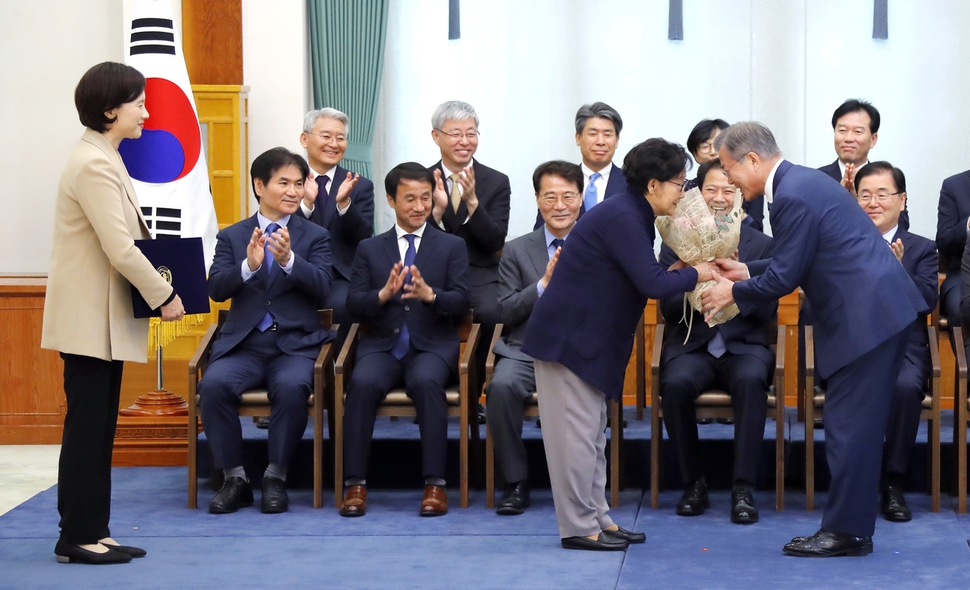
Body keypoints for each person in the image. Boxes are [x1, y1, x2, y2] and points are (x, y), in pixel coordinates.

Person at [701, 122, 927, 557]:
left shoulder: (790, 195)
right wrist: (747, 271)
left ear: (752, 160)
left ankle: (846, 533)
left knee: (850, 431)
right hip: (872, 316)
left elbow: (787, 275)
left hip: (868, 320)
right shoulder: (800, 182)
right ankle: (850, 528)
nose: (729, 180)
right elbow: (798, 260)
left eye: (729, 169)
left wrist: (732, 290)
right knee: (849, 428)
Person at [521, 139, 716, 552]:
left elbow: (639, 274)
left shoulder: (631, 212)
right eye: (679, 183)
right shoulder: (624, 216)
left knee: (591, 438)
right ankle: (578, 527)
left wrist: (682, 269)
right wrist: (699, 272)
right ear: (652, 185)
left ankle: (598, 519)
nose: (683, 192)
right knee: (574, 440)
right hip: (568, 341)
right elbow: (651, 283)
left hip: (588, 341)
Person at [42, 62, 185, 565]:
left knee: (100, 428)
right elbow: (121, 249)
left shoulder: (105, 156)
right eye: (139, 103)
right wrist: (165, 296)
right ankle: (75, 536)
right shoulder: (93, 163)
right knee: (87, 429)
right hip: (89, 321)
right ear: (110, 110)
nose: (146, 112)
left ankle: (92, 530)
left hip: (102, 319)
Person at [199, 147, 333, 515]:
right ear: (260, 185)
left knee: (292, 388)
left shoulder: (315, 236)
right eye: (283, 183)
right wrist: (248, 265)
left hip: (295, 346)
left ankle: (276, 476)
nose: (293, 191)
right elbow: (216, 289)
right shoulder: (233, 236)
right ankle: (235, 478)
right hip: (246, 346)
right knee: (213, 385)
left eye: (298, 183)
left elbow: (325, 288)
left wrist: (290, 260)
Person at [340, 162, 470, 518]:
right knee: (362, 383)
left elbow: (462, 300)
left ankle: (435, 485)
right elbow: (353, 303)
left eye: (425, 198)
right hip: (382, 345)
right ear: (390, 200)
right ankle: (354, 484)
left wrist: (432, 296)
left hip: (432, 345)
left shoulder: (451, 246)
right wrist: (382, 296)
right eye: (409, 198)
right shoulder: (370, 248)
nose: (418, 206)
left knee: (427, 382)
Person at [657, 158, 775, 525]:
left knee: (751, 380)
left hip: (744, 345)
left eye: (729, 189)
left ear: (741, 194)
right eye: (711, 189)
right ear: (696, 193)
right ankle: (694, 484)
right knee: (674, 384)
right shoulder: (675, 238)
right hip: (693, 344)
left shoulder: (762, 244)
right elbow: (668, 307)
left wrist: (740, 284)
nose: (720, 197)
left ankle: (743, 487)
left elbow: (767, 308)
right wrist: (692, 276)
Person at [487, 160, 583, 515]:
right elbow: (507, 311)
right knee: (501, 387)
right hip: (525, 349)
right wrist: (543, 285)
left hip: (577, 351)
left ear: (580, 198)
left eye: (568, 197)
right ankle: (515, 482)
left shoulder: (598, 244)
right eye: (550, 197)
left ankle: (583, 486)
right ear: (538, 200)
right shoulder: (516, 249)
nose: (560, 206)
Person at [854, 162, 937, 521]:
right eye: (865, 195)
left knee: (904, 387)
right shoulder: (843, 246)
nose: (873, 202)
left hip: (903, 348)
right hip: (854, 346)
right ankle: (852, 484)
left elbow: (926, 302)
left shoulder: (922, 249)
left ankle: (893, 483)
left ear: (901, 201)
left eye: (882, 194)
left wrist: (896, 273)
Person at [297, 108, 375, 336]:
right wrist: (307, 205)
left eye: (340, 138)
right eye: (326, 136)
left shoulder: (359, 184)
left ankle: (340, 369)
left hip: (340, 277)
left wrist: (344, 205)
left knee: (342, 306)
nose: (334, 143)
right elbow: (282, 228)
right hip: (296, 271)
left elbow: (363, 236)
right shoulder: (289, 182)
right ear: (304, 138)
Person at [532, 103, 626, 229]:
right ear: (578, 138)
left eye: (607, 134)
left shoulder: (632, 184)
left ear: (617, 141)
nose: (600, 142)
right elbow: (542, 233)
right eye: (593, 134)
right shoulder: (558, 182)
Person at [686, 118, 764, 231]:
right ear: (695, 154)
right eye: (705, 147)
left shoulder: (750, 186)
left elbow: (757, 228)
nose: (713, 151)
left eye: (718, 145)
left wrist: (739, 215)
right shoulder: (687, 189)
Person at [817, 99, 879, 198]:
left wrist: (859, 201)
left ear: (873, 139)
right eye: (842, 130)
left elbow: (898, 214)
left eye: (858, 131)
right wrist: (840, 196)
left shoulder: (885, 181)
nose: (848, 138)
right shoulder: (817, 179)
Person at [937, 169, 970, 330]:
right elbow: (944, 241)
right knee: (961, 309)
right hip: (963, 276)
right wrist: (968, 224)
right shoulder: (954, 186)